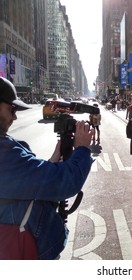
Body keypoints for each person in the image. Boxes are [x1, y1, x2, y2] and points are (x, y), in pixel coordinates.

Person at [0, 77, 93, 259]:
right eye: (12, 109)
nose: (15, 116)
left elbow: (23, 183)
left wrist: (50, 164)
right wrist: (82, 149)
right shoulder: (4, 152)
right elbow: (65, 183)